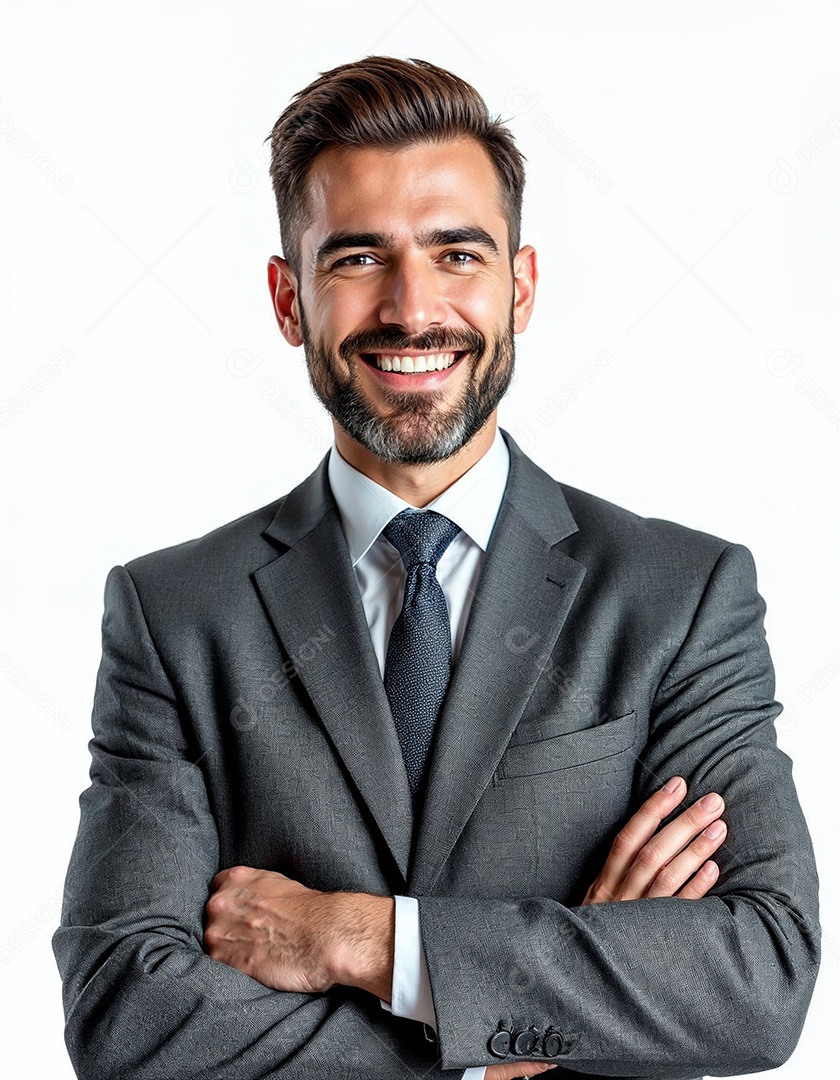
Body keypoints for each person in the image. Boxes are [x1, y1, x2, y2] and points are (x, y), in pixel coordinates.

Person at [53, 57, 819, 1080]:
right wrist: (512, 1034)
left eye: (458, 254)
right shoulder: (172, 616)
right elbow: (125, 1016)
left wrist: (363, 941)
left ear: (522, 286)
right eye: (359, 259)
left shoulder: (681, 597)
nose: (413, 309)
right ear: (289, 300)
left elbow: (758, 980)